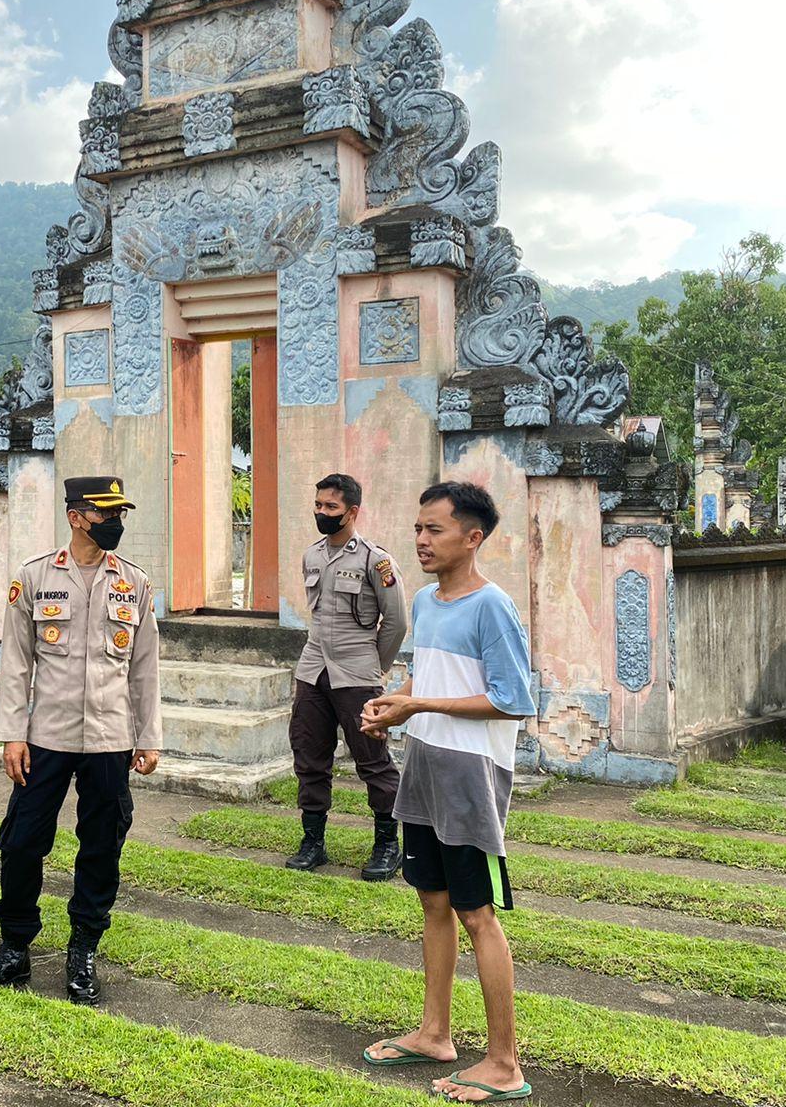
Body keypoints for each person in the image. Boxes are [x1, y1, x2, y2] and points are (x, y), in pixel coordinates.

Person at [358, 481, 534, 1103]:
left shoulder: (493, 607)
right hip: (425, 765)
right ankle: (435, 1033)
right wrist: (393, 707)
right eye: (417, 529)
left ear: (472, 537)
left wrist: (419, 703)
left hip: (471, 777)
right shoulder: (428, 603)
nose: (421, 540)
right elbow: (421, 675)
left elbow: (513, 701)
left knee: (476, 912)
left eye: (434, 530)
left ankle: (504, 1063)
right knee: (432, 901)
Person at [0, 475, 162, 1007]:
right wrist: (12, 734)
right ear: (77, 517)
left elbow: (145, 669)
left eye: (120, 513)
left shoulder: (134, 584)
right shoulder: (33, 579)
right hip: (45, 736)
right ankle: (14, 949)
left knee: (101, 847)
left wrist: (149, 737)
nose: (116, 522)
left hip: (110, 737)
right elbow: (15, 665)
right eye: (106, 513)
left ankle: (83, 952)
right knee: (23, 841)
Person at [287, 472, 410, 880]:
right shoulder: (312, 555)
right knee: (309, 757)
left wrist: (375, 665)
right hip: (312, 669)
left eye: (331, 508)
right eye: (318, 506)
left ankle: (387, 843)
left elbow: (396, 622)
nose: (321, 513)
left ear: (352, 512)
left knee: (373, 762)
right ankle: (313, 841)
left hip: (357, 673)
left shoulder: (377, 560)